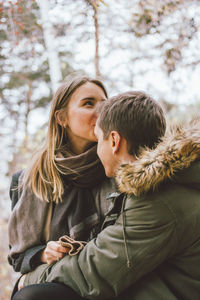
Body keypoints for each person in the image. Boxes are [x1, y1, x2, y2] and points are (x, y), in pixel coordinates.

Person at [14, 91, 200, 300]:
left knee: (31, 296)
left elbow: (91, 271)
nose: (96, 149)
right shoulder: (161, 186)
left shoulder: (156, 200)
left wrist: (26, 279)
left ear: (114, 141)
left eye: (98, 141)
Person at [8, 75, 116, 299]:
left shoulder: (117, 169)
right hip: (56, 283)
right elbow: (19, 257)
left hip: (108, 280)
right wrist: (42, 254)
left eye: (105, 104)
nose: (101, 111)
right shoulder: (28, 181)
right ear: (61, 117)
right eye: (88, 103)